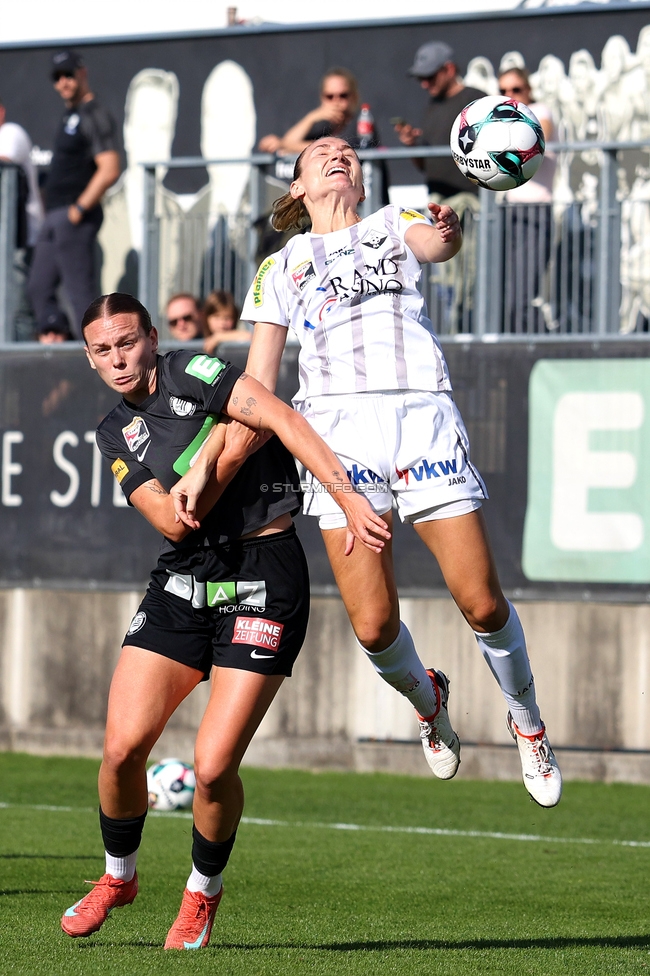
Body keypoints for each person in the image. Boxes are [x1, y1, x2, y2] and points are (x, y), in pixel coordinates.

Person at [173, 138, 562, 809]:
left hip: (421, 417)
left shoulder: (395, 219)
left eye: (348, 149)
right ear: (296, 189)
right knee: (375, 626)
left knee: (481, 601)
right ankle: (429, 702)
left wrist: (449, 231)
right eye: (321, 151)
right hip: (339, 440)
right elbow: (258, 387)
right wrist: (206, 461)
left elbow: (437, 245)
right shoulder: (280, 267)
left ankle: (527, 722)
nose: (337, 153)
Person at [60, 291, 387, 949]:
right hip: (183, 579)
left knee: (212, 768)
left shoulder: (196, 375)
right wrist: (225, 450)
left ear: (152, 338)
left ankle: (202, 894)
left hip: (264, 574)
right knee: (122, 751)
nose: (118, 358)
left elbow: (282, 418)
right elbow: (169, 518)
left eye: (128, 342)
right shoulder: (112, 431)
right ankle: (118, 876)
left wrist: (346, 496)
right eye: (103, 350)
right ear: (90, 358)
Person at [27, 51, 120, 340]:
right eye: (57, 77)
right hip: (56, 217)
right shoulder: (71, 114)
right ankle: (62, 361)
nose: (63, 82)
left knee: (80, 296)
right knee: (38, 288)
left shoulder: (95, 113)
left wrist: (78, 209)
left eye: (68, 74)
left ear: (82, 73)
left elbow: (110, 168)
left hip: (74, 215)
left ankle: (99, 364)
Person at [498, 68, 556, 331]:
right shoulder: (500, 121)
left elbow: (541, 133)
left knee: (522, 293)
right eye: (503, 92)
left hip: (536, 213)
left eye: (516, 90)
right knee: (505, 291)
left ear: (528, 91)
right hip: (509, 212)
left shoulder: (539, 111)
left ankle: (529, 347)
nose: (509, 96)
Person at [396, 41, 486, 202]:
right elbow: (425, 165)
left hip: (470, 200)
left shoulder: (475, 99)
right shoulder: (432, 106)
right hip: (437, 200)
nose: (424, 84)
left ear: (449, 69)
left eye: (430, 76)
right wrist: (411, 145)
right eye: (420, 78)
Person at [0, 97, 44, 340]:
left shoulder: (10, 132)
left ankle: (23, 373)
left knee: (18, 312)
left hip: (22, 242)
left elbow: (3, 163)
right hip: (5, 243)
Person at [258, 68, 363, 155]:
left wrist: (283, 143)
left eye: (343, 95)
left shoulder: (360, 123)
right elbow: (284, 150)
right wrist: (311, 118)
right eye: (329, 96)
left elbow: (335, 148)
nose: (336, 101)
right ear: (322, 98)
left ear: (353, 97)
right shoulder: (320, 127)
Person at [202, 290, 249, 355]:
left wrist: (218, 337)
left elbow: (247, 337)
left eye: (227, 318)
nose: (222, 323)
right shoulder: (200, 335)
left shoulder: (234, 337)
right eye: (216, 317)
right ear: (206, 317)